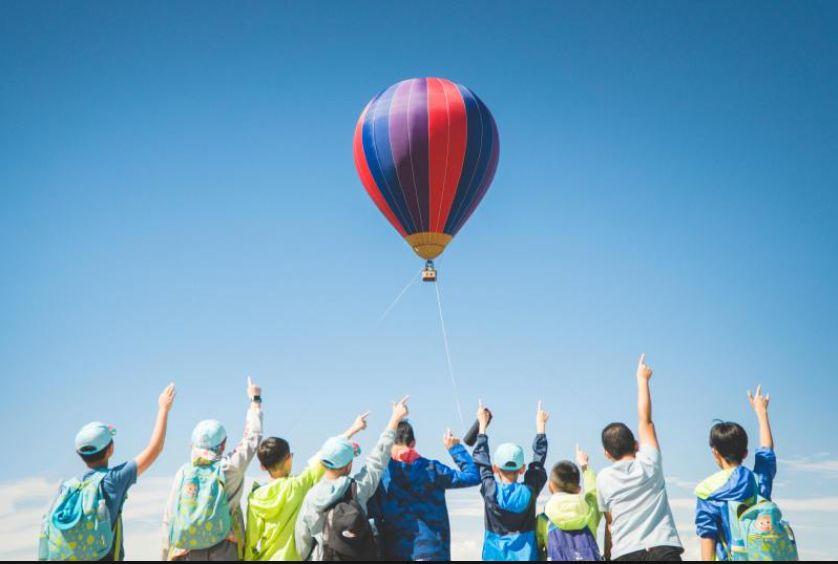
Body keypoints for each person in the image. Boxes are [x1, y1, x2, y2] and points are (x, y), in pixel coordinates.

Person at [39, 383, 177, 561]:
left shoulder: (66, 488)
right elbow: (155, 448)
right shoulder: (114, 480)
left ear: (79, 455)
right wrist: (163, 408)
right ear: (110, 449)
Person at [295, 395, 410, 561]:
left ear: (324, 464)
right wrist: (395, 419)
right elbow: (378, 459)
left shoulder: (311, 497)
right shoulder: (358, 489)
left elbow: (302, 542)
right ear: (349, 466)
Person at [244, 411, 371, 561]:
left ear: (263, 467)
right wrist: (353, 429)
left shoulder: (254, 498)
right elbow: (325, 456)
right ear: (288, 460)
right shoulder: (297, 486)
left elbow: (251, 538)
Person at [162, 377, 263, 561]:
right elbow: (252, 438)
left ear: (192, 445)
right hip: (224, 548)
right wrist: (254, 401)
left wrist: (165, 554)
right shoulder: (229, 468)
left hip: (187, 551)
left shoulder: (183, 473)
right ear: (223, 446)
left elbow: (169, 517)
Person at [597, 354, 683, 561]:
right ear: (636, 445)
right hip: (662, 547)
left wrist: (608, 554)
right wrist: (642, 380)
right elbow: (646, 422)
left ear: (607, 454)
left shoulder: (603, 478)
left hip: (625, 552)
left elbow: (610, 522)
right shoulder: (649, 462)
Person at [367, 421, 481, 560]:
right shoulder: (432, 469)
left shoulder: (383, 474)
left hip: (396, 553)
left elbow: (373, 519)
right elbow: (473, 476)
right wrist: (454, 448)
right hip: (434, 553)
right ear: (413, 443)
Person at [695, 385, 777, 561]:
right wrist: (761, 412)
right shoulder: (758, 481)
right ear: (746, 453)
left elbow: (707, 536)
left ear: (715, 452)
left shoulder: (707, 490)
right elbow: (766, 451)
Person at [473, 400, 549, 561]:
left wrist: (482, 426)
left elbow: (482, 461)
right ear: (522, 469)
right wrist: (540, 428)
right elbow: (537, 463)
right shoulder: (529, 491)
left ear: (495, 468)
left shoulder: (490, 489)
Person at [536, 445, 602, 561]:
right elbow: (595, 492)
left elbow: (534, 550)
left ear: (550, 487)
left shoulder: (544, 520)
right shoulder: (589, 512)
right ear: (578, 489)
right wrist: (585, 466)